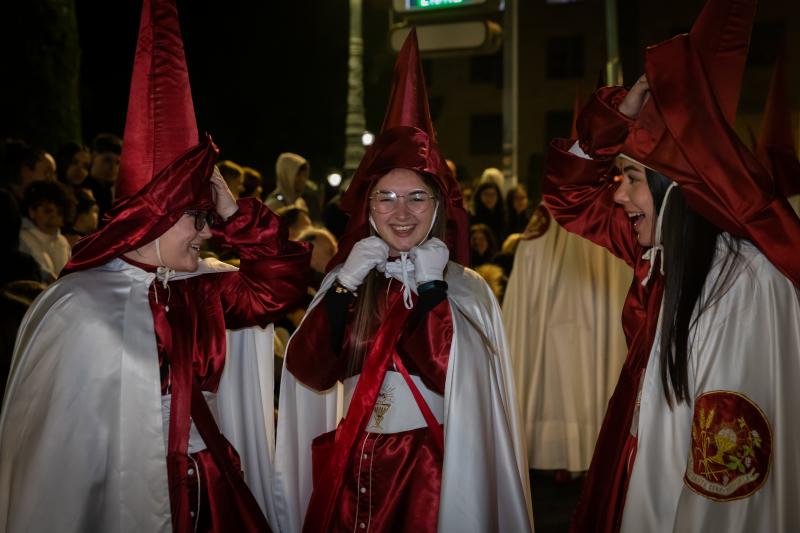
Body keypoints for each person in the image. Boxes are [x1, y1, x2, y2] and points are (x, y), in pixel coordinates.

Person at [0, 1, 310, 531]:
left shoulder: (205, 286)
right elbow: (55, 466)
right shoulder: (78, 306)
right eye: (197, 217)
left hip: (213, 494)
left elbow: (282, 281)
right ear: (155, 216)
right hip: (124, 505)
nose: (209, 231)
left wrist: (236, 213)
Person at [543, 1, 800, 531]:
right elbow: (567, 196)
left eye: (632, 178)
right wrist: (618, 114)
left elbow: (726, 483)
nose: (618, 197)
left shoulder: (742, 286)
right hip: (640, 475)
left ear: (678, 193)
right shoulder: (662, 251)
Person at [273, 30, 532, 533]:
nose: (402, 212)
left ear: (439, 207)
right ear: (367, 209)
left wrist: (433, 290)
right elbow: (311, 369)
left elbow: (447, 375)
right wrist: (344, 287)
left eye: (417, 198)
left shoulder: (465, 289)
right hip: (355, 464)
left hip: (429, 469)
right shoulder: (349, 280)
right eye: (386, 198)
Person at [502, 204, 630, 477]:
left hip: (584, 265)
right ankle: (583, 447)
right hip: (574, 282)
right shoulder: (608, 213)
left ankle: (582, 447)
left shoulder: (612, 211)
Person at [18, 180, 75, 283]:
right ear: (32, 211)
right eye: (46, 209)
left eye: (58, 208)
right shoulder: (23, 238)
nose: (53, 213)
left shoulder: (62, 241)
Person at [265, 152, 322, 221]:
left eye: (304, 174)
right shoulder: (273, 205)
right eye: (298, 174)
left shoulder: (299, 201)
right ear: (286, 175)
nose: (303, 179)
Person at [84, 132, 122, 218]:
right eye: (107, 160)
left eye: (117, 163)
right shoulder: (82, 190)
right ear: (93, 156)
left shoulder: (114, 192)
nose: (112, 167)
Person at [470, 179, 507, 245]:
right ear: (480, 196)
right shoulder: (473, 216)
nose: (490, 198)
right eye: (486, 194)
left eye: (493, 194)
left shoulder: (502, 215)